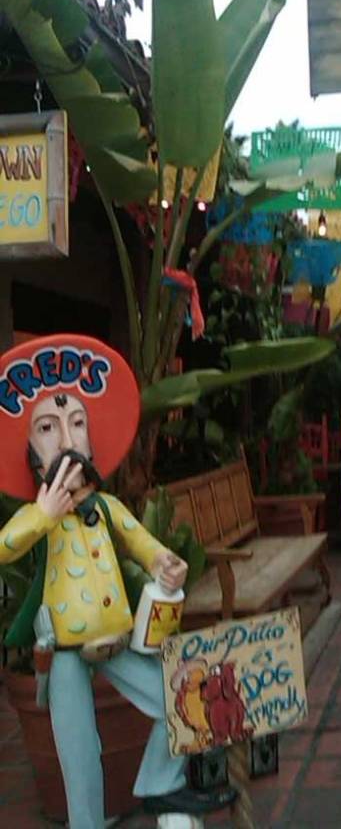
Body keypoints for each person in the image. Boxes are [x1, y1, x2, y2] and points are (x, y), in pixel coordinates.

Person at [0, 334, 235, 829]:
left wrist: (164, 561)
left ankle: (158, 784)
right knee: (78, 750)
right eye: (48, 427)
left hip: (119, 640)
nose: (67, 440)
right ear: (30, 449)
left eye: (77, 423)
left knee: (179, 703)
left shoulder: (106, 507)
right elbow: (5, 547)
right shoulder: (37, 518)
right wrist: (42, 516)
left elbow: (142, 542)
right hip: (66, 651)